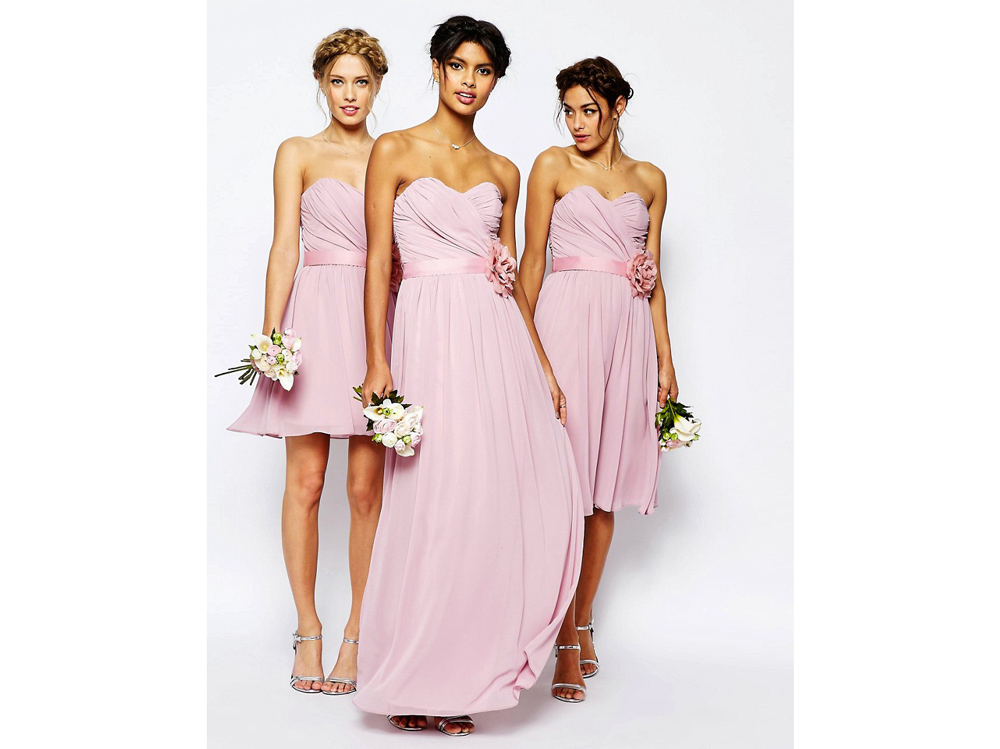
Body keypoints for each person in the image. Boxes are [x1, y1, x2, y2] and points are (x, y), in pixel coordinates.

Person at [354, 15, 583, 736]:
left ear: (496, 81)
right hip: (425, 334)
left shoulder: (504, 172)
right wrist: (378, 359)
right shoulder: (394, 149)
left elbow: (509, 280)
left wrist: (543, 366)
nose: (469, 81)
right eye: (458, 65)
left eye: (483, 70)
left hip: (494, 342)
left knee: (482, 500)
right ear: (435, 67)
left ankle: (462, 678)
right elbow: (377, 262)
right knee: (430, 499)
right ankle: (410, 676)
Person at [228, 28, 392, 696]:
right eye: (338, 81)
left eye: (362, 82)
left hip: (374, 322)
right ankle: (308, 628)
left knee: (366, 489)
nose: (350, 94)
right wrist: (272, 334)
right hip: (314, 319)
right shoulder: (297, 151)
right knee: (306, 481)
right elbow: (284, 246)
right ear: (321, 84)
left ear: (377, 87)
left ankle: (358, 632)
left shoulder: (394, 152)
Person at [520, 56, 678, 703]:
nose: (577, 123)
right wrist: (526, 351)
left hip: (625, 335)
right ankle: (561, 639)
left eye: (590, 110)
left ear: (618, 108)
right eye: (569, 110)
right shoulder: (551, 166)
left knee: (603, 492)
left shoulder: (651, 179)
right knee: (564, 487)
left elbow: (652, 275)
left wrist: (666, 358)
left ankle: (582, 620)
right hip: (564, 327)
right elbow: (531, 263)